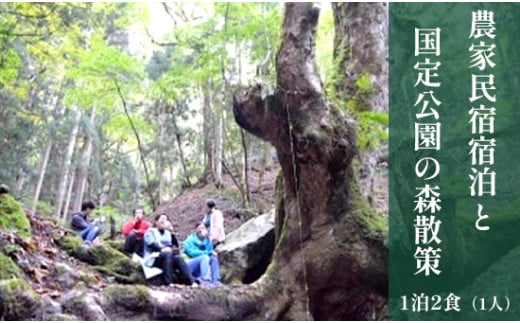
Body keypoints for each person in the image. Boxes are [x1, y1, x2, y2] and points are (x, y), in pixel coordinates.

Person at [143, 214, 195, 286]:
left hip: (168, 257)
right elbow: (151, 243)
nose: (164, 221)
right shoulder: (150, 231)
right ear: (156, 222)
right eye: (162, 219)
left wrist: (172, 233)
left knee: (178, 258)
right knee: (167, 254)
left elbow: (174, 246)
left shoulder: (167, 233)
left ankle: (191, 281)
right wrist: (162, 249)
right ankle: (169, 282)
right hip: (154, 258)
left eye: (165, 219)